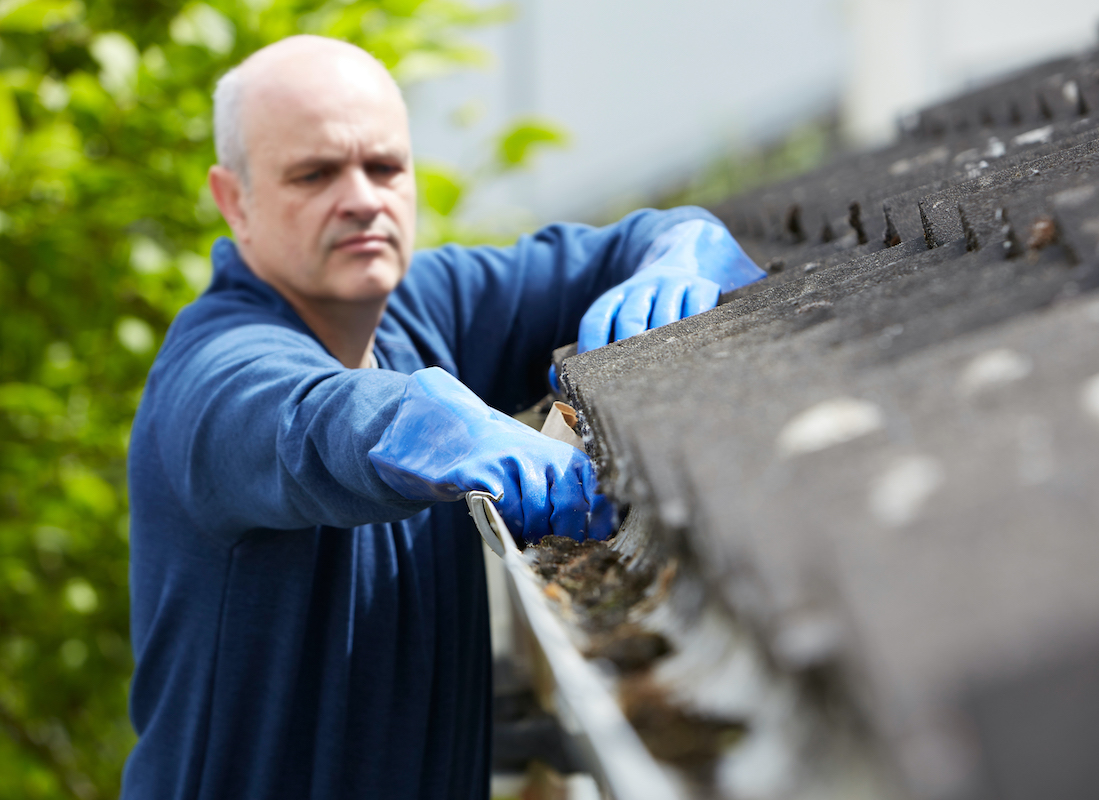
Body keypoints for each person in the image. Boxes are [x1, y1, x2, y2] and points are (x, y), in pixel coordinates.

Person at [122, 35, 764, 800]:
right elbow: (305, 420)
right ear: (235, 201)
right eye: (314, 173)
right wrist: (419, 420)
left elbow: (641, 243)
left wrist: (684, 253)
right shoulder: (210, 375)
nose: (361, 197)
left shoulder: (430, 306)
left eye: (385, 166)